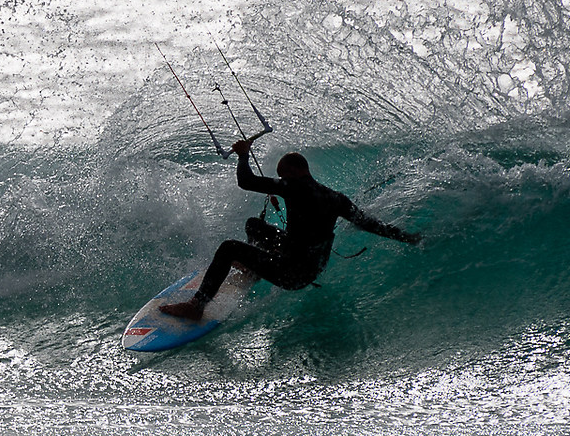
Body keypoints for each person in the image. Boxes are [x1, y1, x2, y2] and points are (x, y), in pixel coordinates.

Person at [156, 134, 418, 320]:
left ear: (293, 172)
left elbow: (245, 181)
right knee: (255, 226)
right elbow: (370, 224)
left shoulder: (292, 187)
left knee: (228, 248)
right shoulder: (336, 198)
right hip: (311, 267)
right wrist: (406, 237)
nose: (280, 181)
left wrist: (243, 156)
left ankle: (196, 306)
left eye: (283, 175)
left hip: (291, 273)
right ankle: (256, 268)